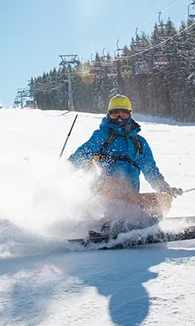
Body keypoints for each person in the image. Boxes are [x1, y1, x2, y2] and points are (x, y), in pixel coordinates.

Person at [68, 95, 183, 230]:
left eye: (123, 113)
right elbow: (81, 155)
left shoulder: (139, 143)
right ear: (109, 114)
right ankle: (108, 223)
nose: (119, 117)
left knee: (164, 199)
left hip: (130, 199)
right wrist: (62, 172)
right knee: (121, 183)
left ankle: (144, 224)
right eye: (115, 113)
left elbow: (150, 170)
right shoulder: (103, 136)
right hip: (103, 194)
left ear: (130, 114)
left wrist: (164, 187)